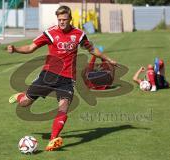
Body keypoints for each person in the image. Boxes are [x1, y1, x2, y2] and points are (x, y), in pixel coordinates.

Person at [7, 5, 117, 151]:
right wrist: (15, 49)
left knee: (63, 108)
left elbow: (91, 49)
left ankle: (53, 140)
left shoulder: (79, 34)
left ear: (70, 19)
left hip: (67, 79)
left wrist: (108, 59)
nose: (62, 22)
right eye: (59, 20)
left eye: (64, 19)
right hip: (48, 76)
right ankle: (21, 96)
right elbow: (30, 47)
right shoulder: (50, 33)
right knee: (25, 103)